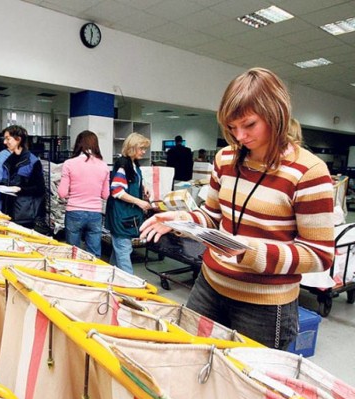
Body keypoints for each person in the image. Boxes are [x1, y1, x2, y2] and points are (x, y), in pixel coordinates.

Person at [139, 67, 335, 350]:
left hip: (265, 306)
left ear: (275, 113)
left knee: (246, 386)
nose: (239, 136)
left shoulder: (309, 171)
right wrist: (183, 219)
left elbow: (319, 254)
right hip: (210, 285)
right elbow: (213, 215)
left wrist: (251, 253)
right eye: (232, 127)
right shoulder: (226, 159)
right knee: (189, 358)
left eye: (249, 125)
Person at [105, 132, 153, 274]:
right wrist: (139, 202)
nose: (144, 152)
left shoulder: (133, 164)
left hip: (127, 214)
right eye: (141, 148)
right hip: (121, 214)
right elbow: (117, 191)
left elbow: (133, 179)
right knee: (124, 250)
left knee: (119, 249)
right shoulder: (123, 165)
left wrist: (143, 186)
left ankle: (110, 275)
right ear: (132, 147)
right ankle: (131, 284)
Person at [58, 130, 110, 257]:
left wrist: (72, 193)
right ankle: (92, 275)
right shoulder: (104, 166)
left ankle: (74, 275)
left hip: (74, 211)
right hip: (95, 213)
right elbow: (105, 195)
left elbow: (62, 193)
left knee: (73, 252)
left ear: (78, 144)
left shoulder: (69, 164)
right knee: (93, 253)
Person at [0, 125, 45, 229]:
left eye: (8, 139)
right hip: (7, 211)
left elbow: (40, 189)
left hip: (24, 214)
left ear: (18, 139)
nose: (4, 142)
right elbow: (7, 185)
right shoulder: (9, 161)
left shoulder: (33, 162)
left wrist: (20, 189)